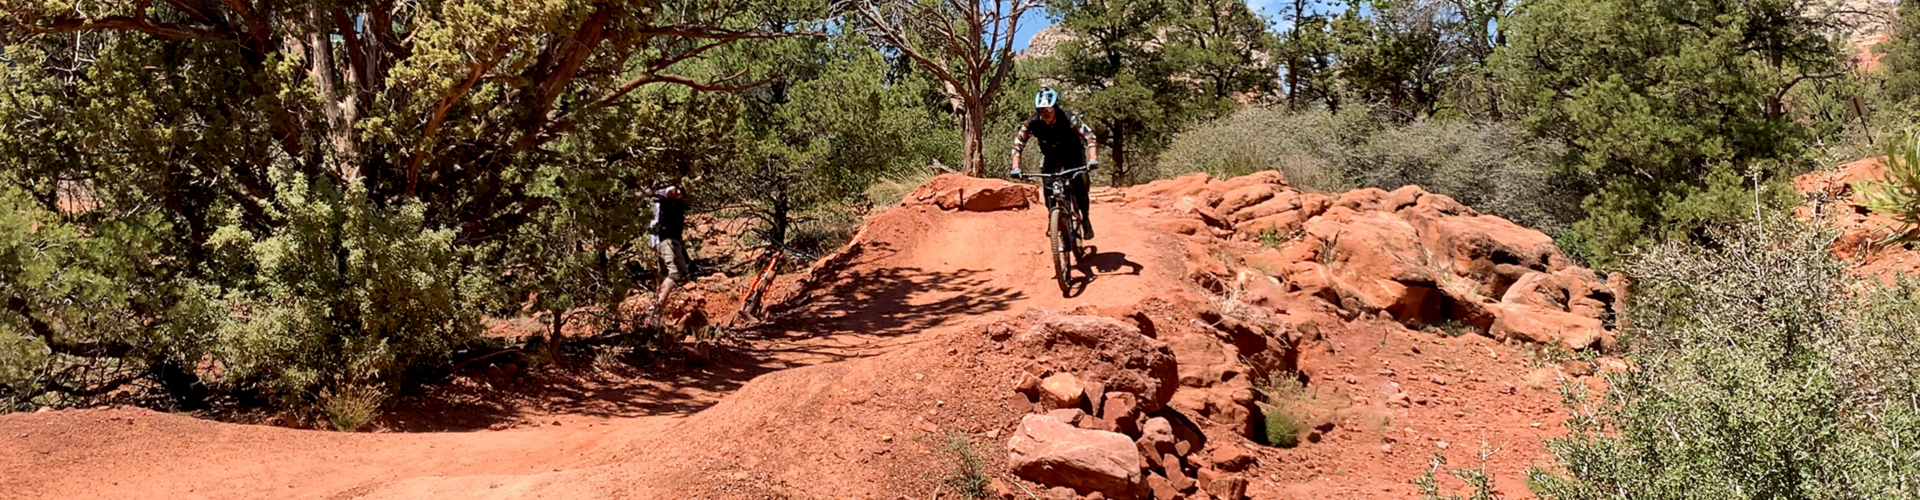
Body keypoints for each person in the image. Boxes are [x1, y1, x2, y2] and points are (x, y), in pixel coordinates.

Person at [1010, 86, 1099, 239]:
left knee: (1079, 188)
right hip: (1051, 155)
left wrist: (1092, 159)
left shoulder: (1069, 118)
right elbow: (1017, 145)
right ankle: (1053, 219)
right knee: (1048, 189)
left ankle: (1085, 219)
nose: (1045, 115)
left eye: (1048, 111)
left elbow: (1090, 136)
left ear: (1055, 109)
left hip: (1073, 154)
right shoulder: (1032, 124)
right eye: (1041, 111)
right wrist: (1016, 167)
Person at [645, 178, 691, 325]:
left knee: (669, 274)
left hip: (670, 239)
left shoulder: (664, 186)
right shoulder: (662, 185)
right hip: (666, 238)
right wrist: (685, 184)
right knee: (675, 273)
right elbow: (673, 192)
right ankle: (655, 309)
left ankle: (656, 318)